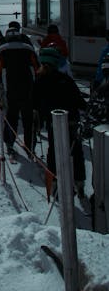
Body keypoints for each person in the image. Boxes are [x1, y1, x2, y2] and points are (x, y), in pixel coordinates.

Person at [32, 46, 87, 198]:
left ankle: (54, 182)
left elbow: (34, 103)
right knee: (76, 151)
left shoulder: (39, 80)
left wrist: (39, 119)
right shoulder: (65, 79)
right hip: (72, 120)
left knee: (54, 151)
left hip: (53, 123)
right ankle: (79, 181)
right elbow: (79, 101)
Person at [0, 21, 39, 157]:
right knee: (28, 119)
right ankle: (30, 146)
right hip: (28, 89)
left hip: (10, 89)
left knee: (11, 117)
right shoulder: (28, 48)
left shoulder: (2, 49)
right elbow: (37, 69)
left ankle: (9, 144)